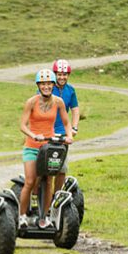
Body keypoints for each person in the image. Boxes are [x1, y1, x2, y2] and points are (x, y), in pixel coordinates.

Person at [19, 69, 73, 229]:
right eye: (43, 84)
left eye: (49, 83)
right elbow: (22, 125)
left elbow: (66, 122)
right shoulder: (31, 102)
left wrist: (69, 135)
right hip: (32, 147)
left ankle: (44, 217)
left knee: (48, 180)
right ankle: (22, 216)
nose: (46, 86)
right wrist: (33, 135)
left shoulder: (58, 102)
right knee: (30, 181)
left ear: (53, 84)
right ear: (38, 85)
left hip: (49, 147)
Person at [48, 59, 81, 194]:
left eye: (64, 74)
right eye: (59, 74)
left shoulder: (70, 90)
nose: (62, 77)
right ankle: (43, 197)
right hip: (48, 132)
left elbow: (75, 109)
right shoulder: (48, 87)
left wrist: (74, 128)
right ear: (54, 74)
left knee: (61, 169)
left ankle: (57, 196)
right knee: (48, 168)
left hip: (63, 133)